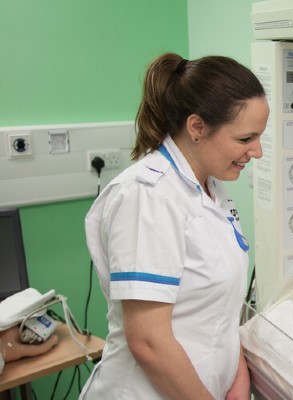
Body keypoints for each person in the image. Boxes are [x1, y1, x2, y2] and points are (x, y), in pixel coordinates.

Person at [81, 53, 269, 400]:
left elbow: (218, 309)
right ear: (197, 127)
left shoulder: (211, 189)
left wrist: (237, 376)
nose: (256, 151)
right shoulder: (147, 197)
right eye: (245, 139)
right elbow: (149, 342)